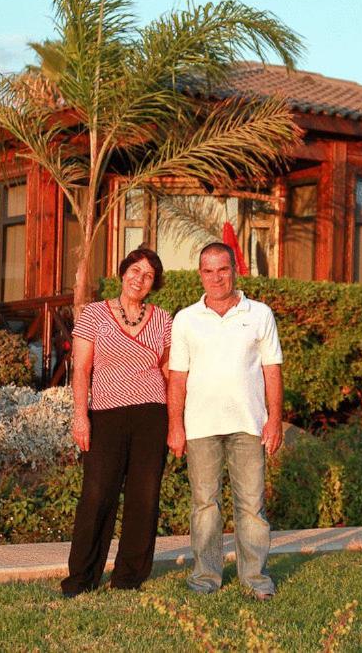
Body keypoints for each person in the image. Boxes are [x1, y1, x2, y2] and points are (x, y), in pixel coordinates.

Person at [167, 242, 284, 601]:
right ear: (199, 274)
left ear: (235, 270)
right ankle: (205, 578)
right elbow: (177, 377)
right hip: (201, 427)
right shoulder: (186, 318)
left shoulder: (259, 313)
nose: (216, 278)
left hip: (249, 424)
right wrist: (175, 426)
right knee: (205, 505)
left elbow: (272, 370)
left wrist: (275, 419)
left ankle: (255, 580)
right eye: (208, 270)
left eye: (223, 269)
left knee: (251, 505)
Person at [61, 248, 172, 597]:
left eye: (149, 275)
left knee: (144, 497)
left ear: (153, 284)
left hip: (152, 415)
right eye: (135, 270)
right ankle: (81, 579)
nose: (140, 278)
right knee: (96, 495)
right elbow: (81, 369)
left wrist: (176, 421)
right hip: (106, 415)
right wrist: (81, 416)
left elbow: (169, 371)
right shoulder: (94, 314)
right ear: (123, 272)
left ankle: (129, 578)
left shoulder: (164, 320)